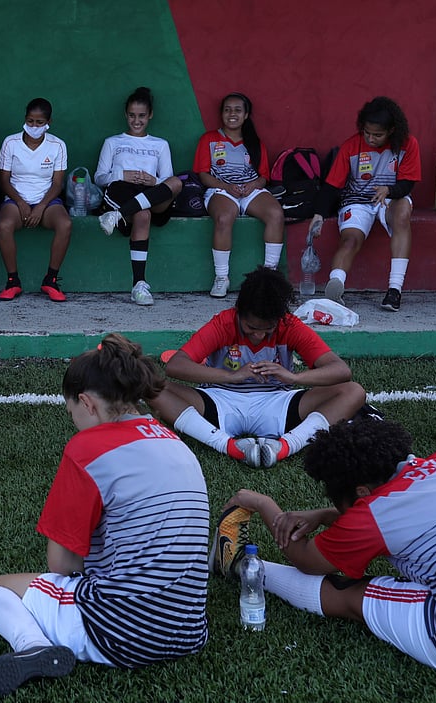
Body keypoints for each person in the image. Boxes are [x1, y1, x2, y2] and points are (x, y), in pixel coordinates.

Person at [0, 334, 209, 699]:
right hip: (189, 631)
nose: (74, 424)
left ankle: (32, 646)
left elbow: (62, 564)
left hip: (120, 635)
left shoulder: (87, 448)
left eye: (72, 414)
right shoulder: (170, 439)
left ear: (86, 402)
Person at [215, 412, 436, 684]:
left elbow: (306, 560)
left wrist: (263, 503)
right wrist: (326, 515)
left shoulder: (373, 516)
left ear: (361, 492)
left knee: (347, 593)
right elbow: (410, 511)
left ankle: (238, 565)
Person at [149, 266, 366, 468]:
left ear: (278, 319)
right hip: (219, 400)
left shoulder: (289, 324)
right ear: (239, 312)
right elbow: (176, 366)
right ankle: (229, 446)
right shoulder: (224, 323)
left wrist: (293, 378)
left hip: (278, 403)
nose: (259, 335)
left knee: (354, 391)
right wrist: (232, 376)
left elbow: (341, 371)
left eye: (268, 329)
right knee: (149, 386)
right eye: (251, 327)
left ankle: (284, 447)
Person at [310, 96, 420, 313]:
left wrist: (389, 190)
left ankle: (394, 289)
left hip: (392, 197)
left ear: (392, 130)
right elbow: (332, 185)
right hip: (357, 200)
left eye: (377, 135)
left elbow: (408, 184)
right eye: (366, 132)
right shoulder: (351, 146)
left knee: (403, 214)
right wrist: (319, 214)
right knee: (350, 239)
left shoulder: (408, 144)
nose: (370, 138)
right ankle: (336, 286)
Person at [94, 86, 183, 306]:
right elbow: (99, 177)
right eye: (132, 115)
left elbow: (167, 179)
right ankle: (139, 285)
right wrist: (123, 174)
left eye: (142, 116)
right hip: (123, 191)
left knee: (177, 182)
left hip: (152, 194)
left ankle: (116, 217)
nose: (136, 121)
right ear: (126, 115)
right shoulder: (113, 142)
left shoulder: (160, 145)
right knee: (142, 215)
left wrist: (154, 181)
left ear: (150, 115)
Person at [193, 92, 283, 298]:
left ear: (246, 115)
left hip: (250, 190)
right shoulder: (209, 139)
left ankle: (270, 276)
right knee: (224, 218)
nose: (232, 114)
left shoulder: (254, 142)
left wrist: (252, 185)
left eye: (237, 110)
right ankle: (222, 278)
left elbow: (264, 177)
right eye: (227, 110)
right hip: (221, 190)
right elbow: (203, 174)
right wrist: (225, 186)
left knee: (276, 215)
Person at [0, 98, 71, 303]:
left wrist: (41, 207)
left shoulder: (58, 145)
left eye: (39, 123)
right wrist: (20, 202)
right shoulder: (11, 142)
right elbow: (3, 180)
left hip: (46, 202)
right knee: (4, 226)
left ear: (49, 122)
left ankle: (51, 280)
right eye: (30, 121)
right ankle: (13, 281)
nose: (34, 127)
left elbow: (57, 184)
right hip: (15, 198)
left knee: (65, 224)